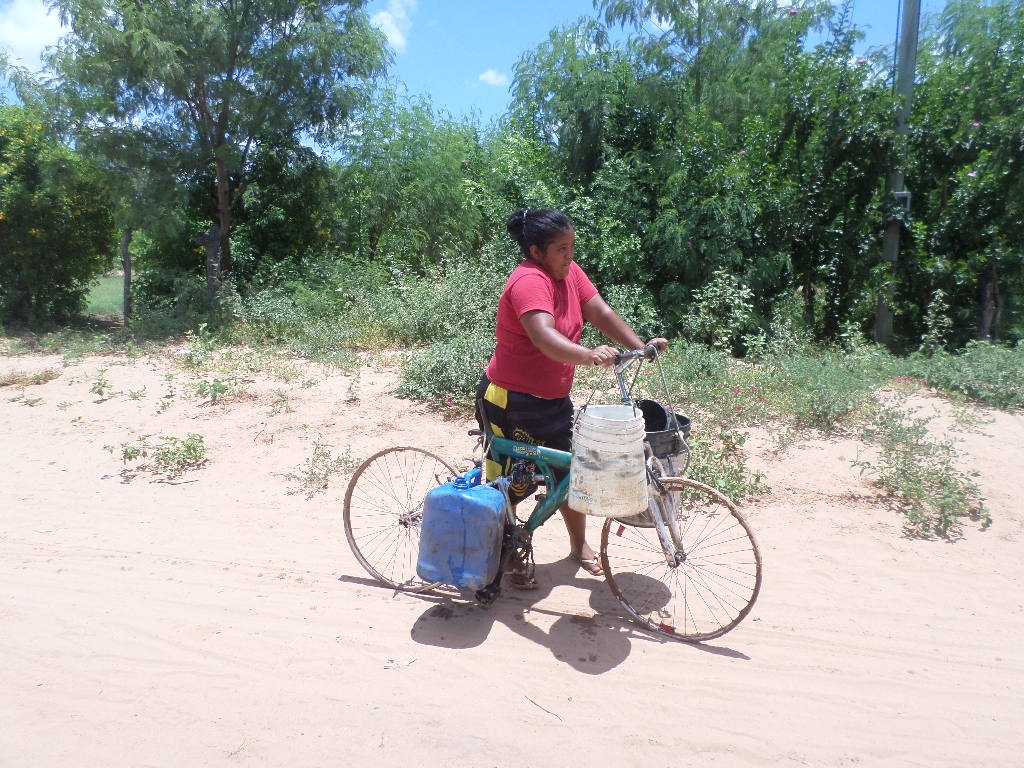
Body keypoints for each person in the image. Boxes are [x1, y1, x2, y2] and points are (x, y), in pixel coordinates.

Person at [476, 207, 667, 588]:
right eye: (561, 249)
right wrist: (586, 355)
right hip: (511, 401)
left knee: (569, 474)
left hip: (553, 400)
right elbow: (544, 336)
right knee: (516, 481)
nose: (569, 256)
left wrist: (639, 346)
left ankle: (578, 546)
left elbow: (599, 310)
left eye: (571, 247)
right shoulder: (528, 281)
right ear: (536, 252)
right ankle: (501, 547)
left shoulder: (569, 273)